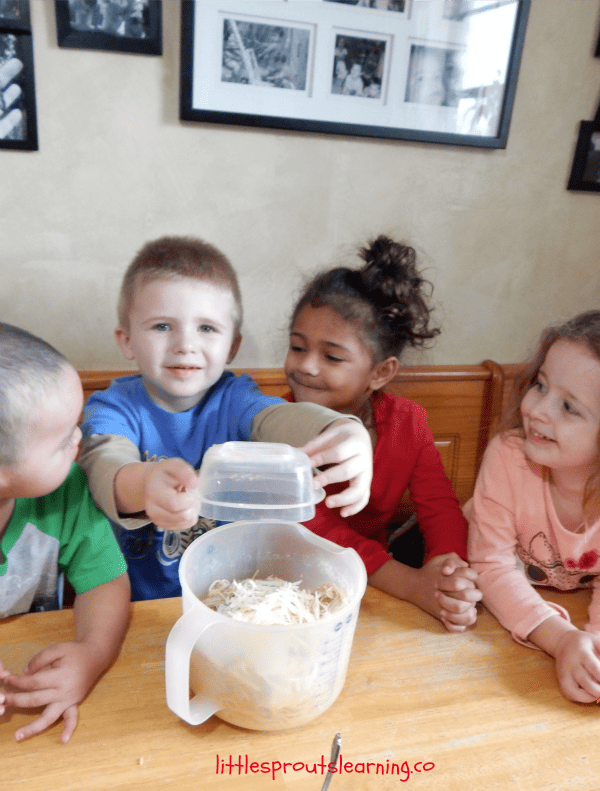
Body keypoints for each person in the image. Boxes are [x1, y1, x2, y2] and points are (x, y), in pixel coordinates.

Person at [79, 236, 372, 601]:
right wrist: (147, 483)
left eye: (206, 328)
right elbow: (105, 467)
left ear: (232, 345)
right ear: (126, 340)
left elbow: (278, 417)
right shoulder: (113, 408)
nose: (185, 344)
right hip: (136, 604)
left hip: (230, 599)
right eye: (162, 327)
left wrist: (341, 429)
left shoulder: (236, 399)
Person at [283, 235, 480, 632]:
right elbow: (313, 530)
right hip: (291, 586)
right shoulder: (276, 424)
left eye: (332, 356)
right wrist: (409, 584)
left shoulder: (409, 422)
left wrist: (447, 569)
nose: (306, 367)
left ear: (381, 372)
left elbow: (439, 504)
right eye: (297, 347)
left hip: (371, 585)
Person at [0, 323, 130, 743]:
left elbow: (105, 580)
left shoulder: (69, 491)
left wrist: (93, 654)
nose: (80, 440)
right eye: (61, 441)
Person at [467, 310, 600, 703]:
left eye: (570, 408)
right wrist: (561, 641)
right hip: (482, 597)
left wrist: (592, 647)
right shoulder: (509, 456)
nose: (538, 410)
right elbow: (491, 565)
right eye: (540, 385)